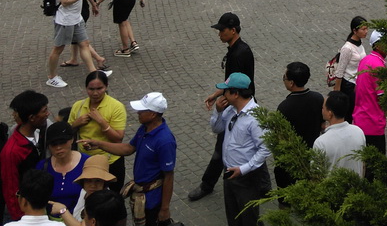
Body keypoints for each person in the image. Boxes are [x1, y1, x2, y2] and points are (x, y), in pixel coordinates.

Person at [80, 92, 176, 226]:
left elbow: (169, 175)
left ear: (153, 114)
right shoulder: (145, 128)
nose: (138, 113)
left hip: (152, 200)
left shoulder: (165, 141)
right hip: (140, 193)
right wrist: (99, 144)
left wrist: (164, 208)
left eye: (142, 111)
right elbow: (128, 149)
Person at [189, 13, 255, 203]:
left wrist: (224, 102)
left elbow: (240, 84)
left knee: (222, 146)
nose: (219, 34)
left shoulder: (239, 54)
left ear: (232, 31)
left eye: (221, 30)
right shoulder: (237, 49)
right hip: (236, 100)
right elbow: (231, 81)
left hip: (238, 104)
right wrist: (217, 92)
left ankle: (207, 184)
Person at [209, 73, 271, 226]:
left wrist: (243, 169)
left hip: (247, 177)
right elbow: (217, 129)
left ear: (235, 94)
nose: (223, 95)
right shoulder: (230, 110)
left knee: (248, 217)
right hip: (229, 172)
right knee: (233, 216)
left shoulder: (255, 118)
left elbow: (265, 148)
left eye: (226, 91)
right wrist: (217, 111)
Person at [47, 0, 100, 89]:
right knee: (58, 49)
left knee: (84, 44)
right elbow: (65, 1)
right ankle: (51, 77)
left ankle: (94, 74)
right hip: (65, 20)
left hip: (76, 17)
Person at [67, 71, 126, 188]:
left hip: (110, 162)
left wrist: (102, 122)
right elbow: (66, 133)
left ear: (106, 86)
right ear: (85, 88)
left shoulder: (116, 107)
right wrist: (75, 124)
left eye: (100, 88)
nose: (95, 93)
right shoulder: (78, 106)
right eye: (91, 89)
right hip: (84, 161)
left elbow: (118, 139)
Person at [0, 90, 50, 222]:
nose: (47, 114)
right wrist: (20, 219)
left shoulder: (38, 133)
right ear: (32, 117)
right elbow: (11, 189)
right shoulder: (12, 151)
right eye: (44, 111)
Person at [274, 62, 325, 187]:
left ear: (291, 83)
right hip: (313, 154)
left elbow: (280, 138)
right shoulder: (318, 98)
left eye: (284, 78)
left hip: (292, 158)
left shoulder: (284, 107)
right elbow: (323, 124)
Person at [36, 122, 89, 214]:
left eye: (63, 142)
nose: (58, 147)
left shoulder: (88, 163)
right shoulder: (42, 167)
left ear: (72, 139)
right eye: (53, 144)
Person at [313, 91, 365, 175]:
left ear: (330, 114)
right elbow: (363, 165)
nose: (321, 109)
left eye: (323, 108)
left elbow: (316, 175)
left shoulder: (321, 142)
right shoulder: (358, 132)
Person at [354, 30, 387, 153]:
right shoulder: (379, 66)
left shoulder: (365, 60)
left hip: (360, 121)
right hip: (373, 124)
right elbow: (383, 98)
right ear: (377, 45)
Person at [333, 16, 368, 122]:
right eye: (363, 29)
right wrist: (337, 91)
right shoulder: (347, 48)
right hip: (348, 85)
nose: (366, 32)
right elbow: (340, 70)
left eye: (367, 29)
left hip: (358, 82)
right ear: (354, 30)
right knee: (348, 114)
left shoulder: (360, 43)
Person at [69, 157, 117, 221]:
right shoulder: (84, 192)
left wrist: (63, 212)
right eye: (88, 180)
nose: (93, 185)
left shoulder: (106, 203)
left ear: (104, 182)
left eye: (98, 181)